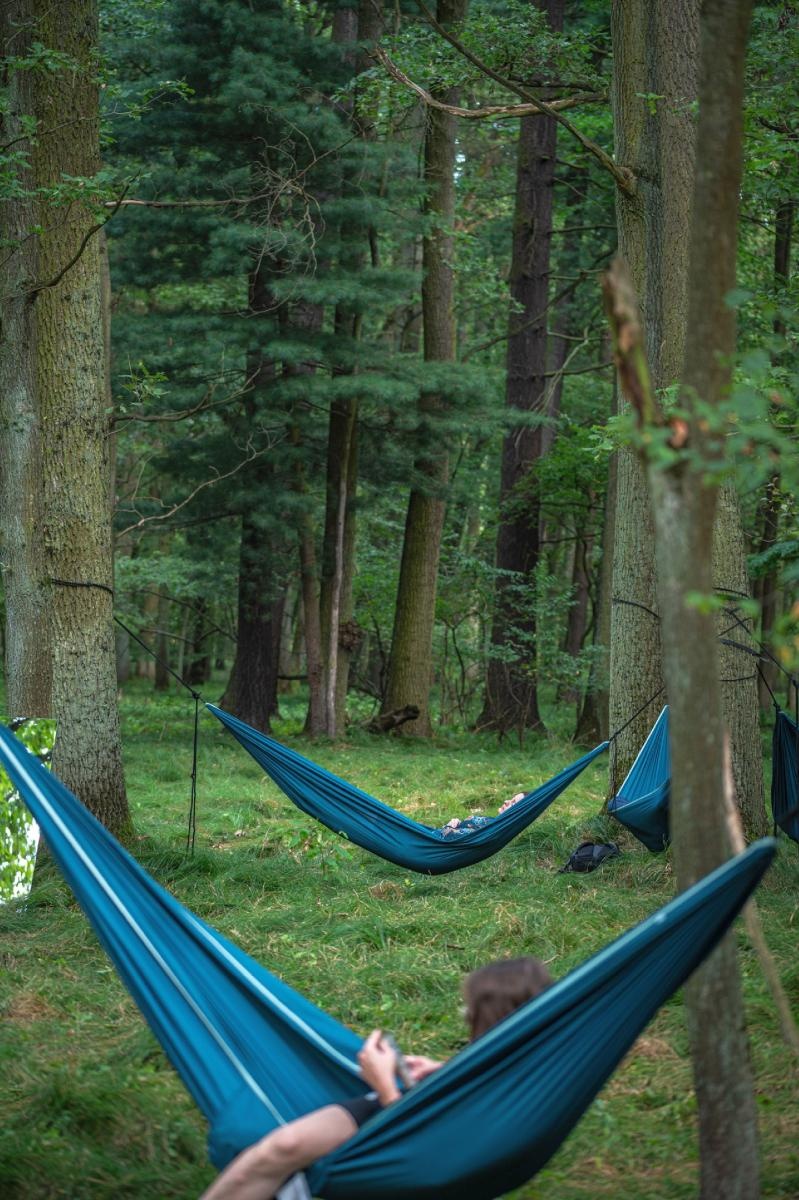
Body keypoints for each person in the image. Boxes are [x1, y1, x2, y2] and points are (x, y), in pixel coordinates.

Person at [199, 956, 553, 1200]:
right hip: (419, 1111)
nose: (465, 1016)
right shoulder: (528, 1065)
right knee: (277, 1148)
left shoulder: (528, 1094)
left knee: (275, 1152)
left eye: (470, 1012)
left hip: (405, 1129)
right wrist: (442, 1069)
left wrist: (385, 1085)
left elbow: (432, 1157)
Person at [438, 791, 527, 838]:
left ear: (518, 812)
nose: (506, 801)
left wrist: (449, 826)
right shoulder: (493, 824)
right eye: (511, 799)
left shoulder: (491, 826)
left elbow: (451, 837)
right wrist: (457, 823)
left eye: (513, 803)